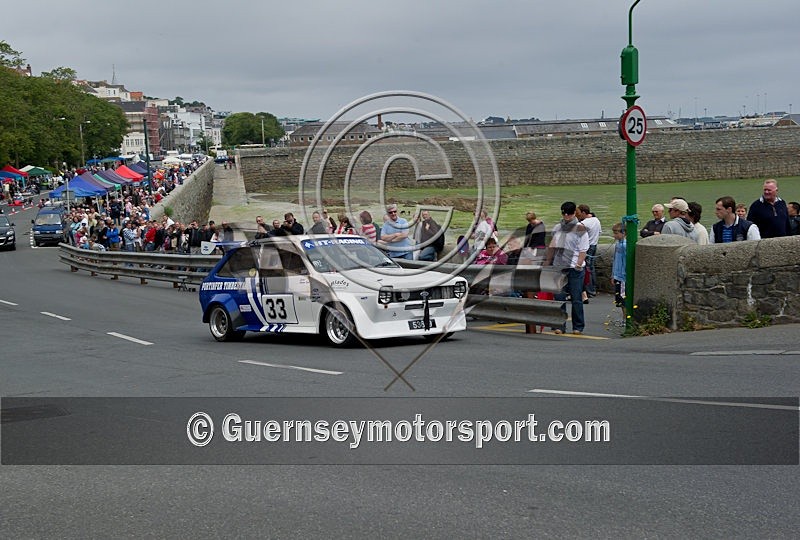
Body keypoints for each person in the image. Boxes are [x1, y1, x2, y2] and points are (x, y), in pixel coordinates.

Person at [545, 201, 589, 335]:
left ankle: (578, 326)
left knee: (576, 298)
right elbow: (552, 245)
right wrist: (547, 262)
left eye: (569, 213)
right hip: (559, 266)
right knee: (559, 298)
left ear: (574, 213)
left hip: (574, 267)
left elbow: (583, 249)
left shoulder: (580, 228)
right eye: (564, 213)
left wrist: (579, 264)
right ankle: (559, 325)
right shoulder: (558, 227)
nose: (566, 216)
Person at [576, 204, 601, 298]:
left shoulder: (585, 223)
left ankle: (589, 290)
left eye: (579, 213)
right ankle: (593, 288)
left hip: (587, 247)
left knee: (587, 269)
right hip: (594, 245)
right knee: (591, 268)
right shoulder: (596, 220)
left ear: (583, 212)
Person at [611, 222, 627, 318]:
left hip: (622, 276)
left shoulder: (625, 245)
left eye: (616, 233)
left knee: (623, 297)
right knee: (619, 299)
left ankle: (625, 318)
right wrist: (613, 274)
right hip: (617, 275)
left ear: (623, 233)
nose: (614, 235)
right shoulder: (618, 245)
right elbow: (615, 260)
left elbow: (625, 261)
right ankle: (624, 317)